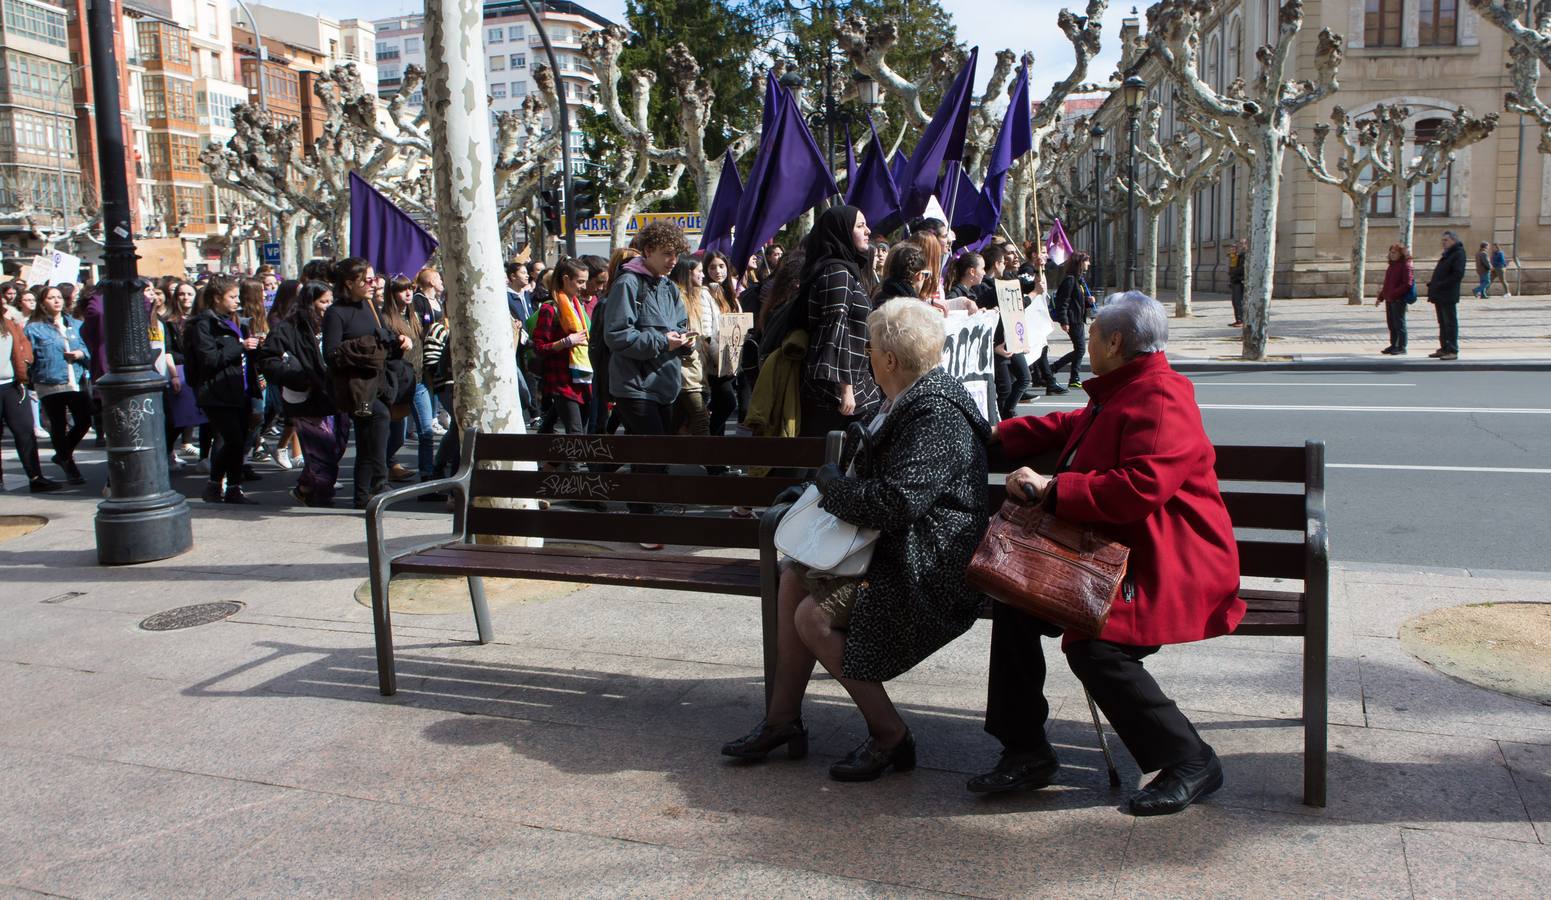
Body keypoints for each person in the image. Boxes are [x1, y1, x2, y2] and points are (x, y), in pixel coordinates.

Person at [971, 291, 1244, 817]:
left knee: (1095, 646)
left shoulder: (1162, 396)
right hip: (1126, 552)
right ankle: (1025, 749)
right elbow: (1072, 427)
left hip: (1171, 562)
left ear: (1115, 342)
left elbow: (1140, 487)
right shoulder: (1127, 387)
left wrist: (1053, 488)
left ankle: (1190, 758)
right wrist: (993, 436)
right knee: (1014, 601)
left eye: (1093, 331)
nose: (1085, 338)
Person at [722, 299, 992, 781]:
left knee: (815, 618)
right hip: (895, 548)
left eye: (870, 348)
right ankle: (781, 720)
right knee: (791, 578)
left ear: (888, 359)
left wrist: (832, 488)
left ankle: (890, 735)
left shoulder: (935, 411)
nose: (866, 355)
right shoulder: (909, 397)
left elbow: (897, 503)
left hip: (929, 565)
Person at [604, 220, 691, 539]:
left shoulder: (669, 287)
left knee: (654, 452)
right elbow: (617, 335)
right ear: (649, 251)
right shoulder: (628, 283)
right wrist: (662, 342)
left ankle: (646, 508)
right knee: (652, 452)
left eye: (677, 255)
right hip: (634, 386)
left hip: (665, 385)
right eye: (667, 254)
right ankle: (642, 515)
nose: (673, 261)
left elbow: (680, 323)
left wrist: (685, 340)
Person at [324, 257, 409, 508]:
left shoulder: (371, 306)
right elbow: (331, 354)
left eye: (374, 279)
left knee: (366, 439)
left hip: (379, 382)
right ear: (350, 283)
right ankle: (380, 481)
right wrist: (366, 348)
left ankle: (362, 495)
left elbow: (385, 342)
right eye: (368, 280)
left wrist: (400, 342)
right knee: (378, 420)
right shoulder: (336, 313)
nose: (374, 284)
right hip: (357, 389)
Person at [260, 280, 346, 507]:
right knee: (322, 452)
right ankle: (322, 498)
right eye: (323, 301)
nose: (328, 306)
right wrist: (299, 377)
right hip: (305, 399)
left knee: (337, 445)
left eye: (330, 301)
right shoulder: (288, 328)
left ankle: (305, 487)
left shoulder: (334, 323)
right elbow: (269, 361)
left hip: (334, 396)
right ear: (310, 302)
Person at [800, 205, 881, 437]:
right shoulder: (838, 272)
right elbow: (836, 333)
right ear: (841, 232)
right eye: (859, 225)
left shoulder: (848, 270)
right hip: (835, 393)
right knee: (827, 460)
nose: (868, 231)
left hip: (856, 384)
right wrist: (845, 389)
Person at [189, 275, 260, 504]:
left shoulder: (235, 321)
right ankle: (214, 485)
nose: (236, 301)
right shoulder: (204, 323)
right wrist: (240, 346)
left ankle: (232, 487)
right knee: (232, 439)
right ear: (217, 298)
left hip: (240, 387)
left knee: (238, 441)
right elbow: (209, 359)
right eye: (232, 297)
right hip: (217, 391)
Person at [22, 285, 90, 484]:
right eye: (51, 298)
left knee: (84, 420)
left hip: (75, 379)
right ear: (43, 303)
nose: (57, 301)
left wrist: (81, 354)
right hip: (49, 381)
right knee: (58, 424)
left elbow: (88, 349)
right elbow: (28, 356)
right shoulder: (34, 328)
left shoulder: (76, 324)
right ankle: (69, 465)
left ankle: (62, 454)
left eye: (59, 297)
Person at [531, 258, 593, 437]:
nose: (583, 286)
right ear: (566, 279)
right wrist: (566, 342)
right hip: (561, 381)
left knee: (575, 432)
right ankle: (572, 466)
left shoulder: (578, 307)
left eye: (585, 281)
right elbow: (539, 347)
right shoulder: (550, 310)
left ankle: (550, 465)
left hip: (582, 379)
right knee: (576, 434)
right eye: (580, 281)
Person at [381, 276, 433, 483]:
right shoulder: (386, 319)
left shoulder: (415, 315)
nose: (408, 293)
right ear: (392, 294)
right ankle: (384, 465)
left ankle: (428, 476)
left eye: (410, 288)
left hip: (418, 382)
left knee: (426, 431)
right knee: (396, 436)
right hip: (398, 383)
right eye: (402, 290)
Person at [1, 311, 58, 491]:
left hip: (12, 385)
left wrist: (26, 360)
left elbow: (23, 343)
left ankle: (35, 477)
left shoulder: (8, 323)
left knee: (25, 430)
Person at [701, 250, 742, 436]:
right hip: (717, 361)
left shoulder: (730, 293)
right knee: (727, 403)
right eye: (712, 267)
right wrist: (721, 359)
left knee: (720, 406)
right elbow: (707, 331)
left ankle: (715, 456)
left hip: (732, 359)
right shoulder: (704, 293)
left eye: (721, 266)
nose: (718, 271)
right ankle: (707, 449)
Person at [1050, 251, 1093, 388]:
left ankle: (1073, 377)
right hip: (1072, 319)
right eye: (1086, 261)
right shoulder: (1070, 280)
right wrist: (1064, 320)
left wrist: (1088, 301)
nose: (1089, 264)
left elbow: (1078, 301)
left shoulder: (1079, 280)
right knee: (1080, 349)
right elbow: (1064, 301)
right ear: (1079, 263)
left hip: (1078, 318)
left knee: (1079, 348)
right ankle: (1054, 368)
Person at [1427, 231, 1466, 360]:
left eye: (1446, 240)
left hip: (1448, 294)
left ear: (1453, 241)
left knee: (1450, 323)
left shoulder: (1458, 253)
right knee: (1442, 323)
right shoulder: (1448, 254)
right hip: (1440, 293)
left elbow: (1457, 274)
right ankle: (1444, 348)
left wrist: (1441, 284)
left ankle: (1452, 350)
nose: (1443, 242)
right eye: (1442, 240)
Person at [1375, 243, 1415, 356]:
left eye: (1394, 252)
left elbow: (1407, 284)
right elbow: (1387, 284)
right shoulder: (1392, 266)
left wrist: (1394, 294)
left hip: (1398, 299)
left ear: (1400, 254)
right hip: (1390, 299)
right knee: (1391, 323)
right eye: (1391, 252)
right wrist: (1381, 297)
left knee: (1399, 323)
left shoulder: (1406, 265)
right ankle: (1394, 344)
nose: (1391, 254)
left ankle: (1402, 346)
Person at [1227, 239, 1247, 326]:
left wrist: (1233, 272)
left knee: (1239, 301)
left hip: (1240, 280)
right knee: (1235, 301)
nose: (1241, 246)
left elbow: (1242, 269)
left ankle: (1241, 320)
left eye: (1242, 244)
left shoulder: (1244, 256)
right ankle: (1238, 319)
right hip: (1234, 280)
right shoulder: (1235, 257)